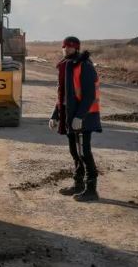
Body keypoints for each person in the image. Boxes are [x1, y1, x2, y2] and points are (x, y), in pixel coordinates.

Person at [49, 36, 102, 202]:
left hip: (84, 116)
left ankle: (91, 189)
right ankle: (78, 184)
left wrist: (80, 116)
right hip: (71, 116)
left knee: (84, 152)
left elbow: (89, 95)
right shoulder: (66, 66)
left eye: (71, 47)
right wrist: (56, 114)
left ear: (77, 48)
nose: (67, 49)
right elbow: (63, 95)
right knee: (74, 152)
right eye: (65, 47)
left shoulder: (84, 66)